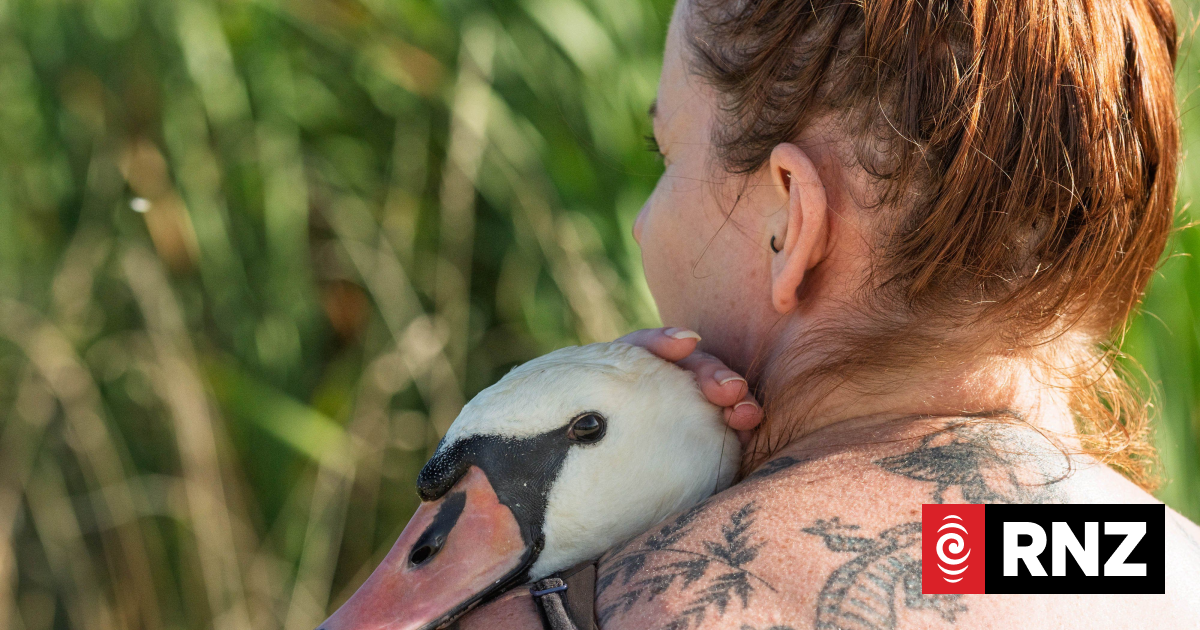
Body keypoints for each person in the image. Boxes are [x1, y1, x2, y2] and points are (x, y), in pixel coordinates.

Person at [457, 0, 1200, 627]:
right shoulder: (1169, 572)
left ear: (792, 220)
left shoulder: (569, 611)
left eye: (665, 154)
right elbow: (966, 550)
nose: (641, 227)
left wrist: (516, 528)